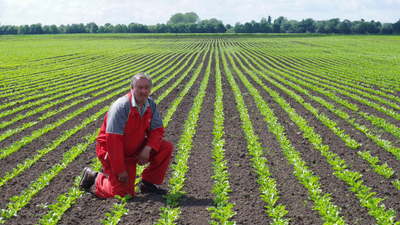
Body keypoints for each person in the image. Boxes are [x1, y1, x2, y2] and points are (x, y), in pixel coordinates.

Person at [79, 72, 173, 199]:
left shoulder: (150, 105)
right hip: (113, 152)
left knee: (165, 147)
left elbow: (157, 130)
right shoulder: (121, 107)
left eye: (146, 88)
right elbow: (113, 141)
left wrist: (147, 148)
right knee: (122, 194)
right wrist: (120, 170)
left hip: (135, 147)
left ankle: (147, 183)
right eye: (139, 87)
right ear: (132, 88)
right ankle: (94, 178)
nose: (143, 91)